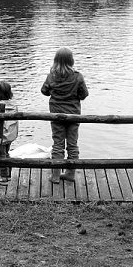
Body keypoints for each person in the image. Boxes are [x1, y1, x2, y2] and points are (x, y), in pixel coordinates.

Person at [41, 47, 88, 184]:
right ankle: (70, 173)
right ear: (71, 60)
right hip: (74, 115)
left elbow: (44, 91)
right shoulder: (77, 76)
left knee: (57, 144)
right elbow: (84, 94)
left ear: (56, 60)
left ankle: (55, 176)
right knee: (72, 144)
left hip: (56, 115)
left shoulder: (51, 76)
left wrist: (54, 91)